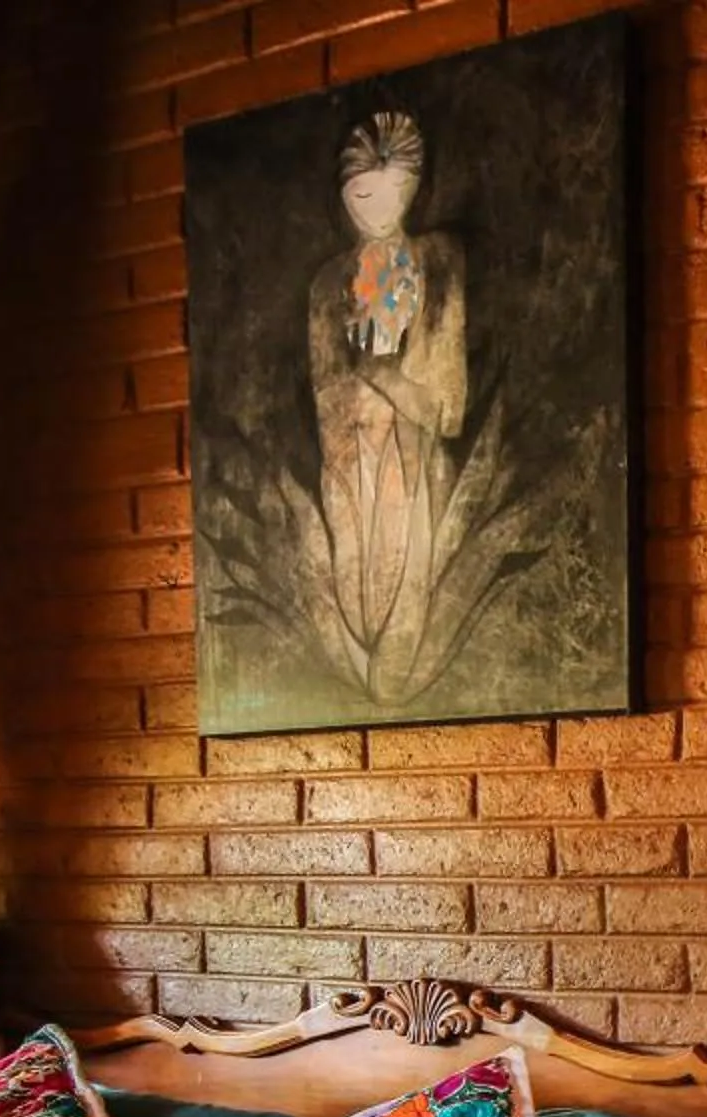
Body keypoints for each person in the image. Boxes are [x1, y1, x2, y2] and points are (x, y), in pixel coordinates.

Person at [306, 110, 467, 699]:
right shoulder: (328, 286)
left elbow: (449, 410)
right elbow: (327, 397)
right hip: (352, 477)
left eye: (395, 191)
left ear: (418, 188)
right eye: (362, 194)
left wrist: (382, 376)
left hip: (416, 476)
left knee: (397, 652)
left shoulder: (440, 263)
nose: (377, 209)